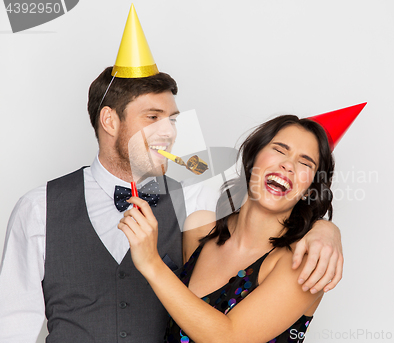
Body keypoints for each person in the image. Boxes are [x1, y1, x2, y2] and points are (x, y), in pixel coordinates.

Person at [0, 5, 343, 343]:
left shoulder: (194, 202)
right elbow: (12, 327)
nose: (169, 133)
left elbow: (271, 216)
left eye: (173, 120)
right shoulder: (38, 210)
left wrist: (326, 230)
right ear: (109, 121)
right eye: (153, 117)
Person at [118, 115, 340, 343]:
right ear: (253, 157)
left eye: (305, 163)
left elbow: (229, 337)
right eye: (280, 150)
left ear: (309, 188)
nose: (288, 165)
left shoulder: (303, 263)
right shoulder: (199, 229)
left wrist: (152, 264)